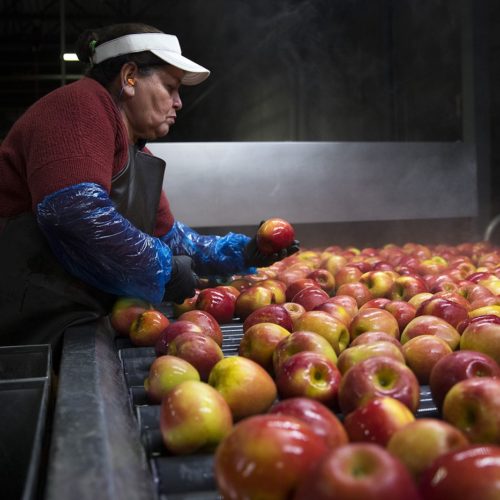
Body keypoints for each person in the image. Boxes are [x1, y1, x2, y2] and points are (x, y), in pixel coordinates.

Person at [0, 23, 298, 356]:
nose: (179, 102)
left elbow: (173, 238)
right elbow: (75, 214)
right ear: (129, 77)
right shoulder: (79, 107)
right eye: (171, 87)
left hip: (76, 325)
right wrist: (166, 269)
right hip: (25, 331)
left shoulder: (136, 154)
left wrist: (244, 252)